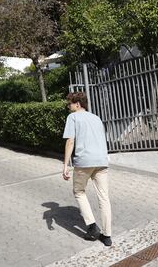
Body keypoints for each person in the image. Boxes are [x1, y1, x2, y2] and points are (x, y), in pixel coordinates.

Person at [62, 92, 112, 246]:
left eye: (69, 103)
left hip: (84, 162)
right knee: (104, 197)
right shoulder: (96, 118)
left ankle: (91, 226)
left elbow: (70, 141)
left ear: (78, 104)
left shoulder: (73, 117)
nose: (68, 106)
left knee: (78, 191)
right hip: (102, 161)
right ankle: (107, 236)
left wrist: (65, 165)